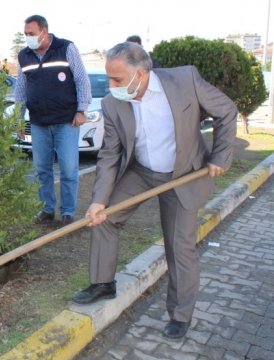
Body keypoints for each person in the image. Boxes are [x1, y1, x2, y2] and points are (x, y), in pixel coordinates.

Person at [72, 42, 236, 340]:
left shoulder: (185, 80)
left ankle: (180, 314)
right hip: (143, 172)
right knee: (105, 217)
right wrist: (98, 201)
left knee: (179, 246)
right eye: (109, 79)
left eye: (117, 80)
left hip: (183, 174)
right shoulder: (112, 103)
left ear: (142, 74)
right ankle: (103, 283)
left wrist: (220, 156)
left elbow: (226, 111)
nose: (111, 87)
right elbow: (110, 154)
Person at [14, 15, 92, 226]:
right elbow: (20, 89)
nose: (28, 38)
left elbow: (82, 80)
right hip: (39, 123)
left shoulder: (66, 48)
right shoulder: (24, 56)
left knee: (68, 170)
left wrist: (81, 109)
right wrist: (19, 119)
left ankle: (67, 212)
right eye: (25, 34)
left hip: (66, 122)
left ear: (44, 32)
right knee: (42, 170)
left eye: (31, 34)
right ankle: (46, 209)